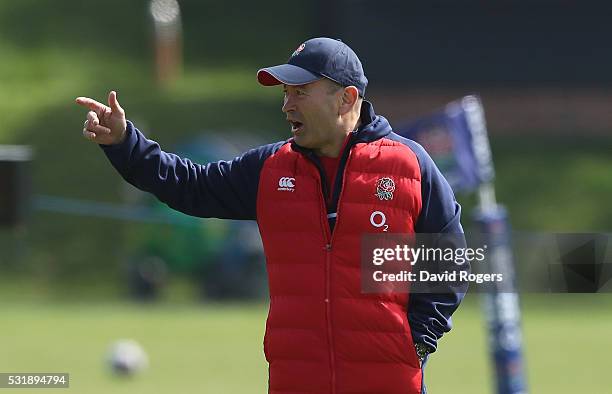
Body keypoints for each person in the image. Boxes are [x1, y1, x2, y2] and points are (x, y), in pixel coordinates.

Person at [76, 37, 467, 394]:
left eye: (300, 92)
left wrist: (415, 341)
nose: (287, 105)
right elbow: (189, 185)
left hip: (387, 383)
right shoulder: (270, 169)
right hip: (295, 381)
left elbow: (449, 263)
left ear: (346, 98)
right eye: (285, 93)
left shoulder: (410, 165)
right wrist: (126, 144)